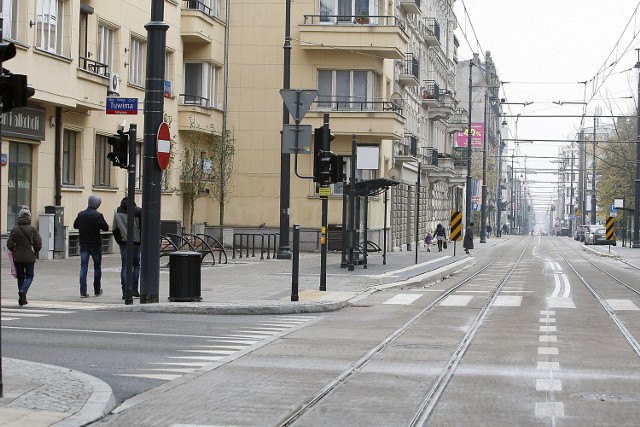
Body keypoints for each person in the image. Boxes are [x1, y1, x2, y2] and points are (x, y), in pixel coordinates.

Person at [74, 195, 109, 297]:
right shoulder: (97, 215)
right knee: (97, 267)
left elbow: (75, 225)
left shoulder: (81, 214)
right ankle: (97, 289)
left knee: (83, 267)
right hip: (95, 244)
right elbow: (106, 227)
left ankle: (83, 291)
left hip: (84, 244)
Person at [7, 207, 42, 306]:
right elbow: (38, 243)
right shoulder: (32, 229)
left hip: (17, 257)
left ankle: (22, 298)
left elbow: (9, 243)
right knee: (30, 276)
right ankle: (23, 291)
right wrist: (36, 251)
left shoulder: (14, 229)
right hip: (29, 257)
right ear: (29, 217)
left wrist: (14, 250)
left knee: (20, 277)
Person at [112, 197, 142, 299]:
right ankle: (134, 289)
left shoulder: (117, 211)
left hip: (124, 242)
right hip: (136, 242)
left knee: (125, 266)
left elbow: (114, 228)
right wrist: (140, 240)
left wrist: (119, 240)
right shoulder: (138, 211)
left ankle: (125, 291)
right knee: (136, 265)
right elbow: (142, 228)